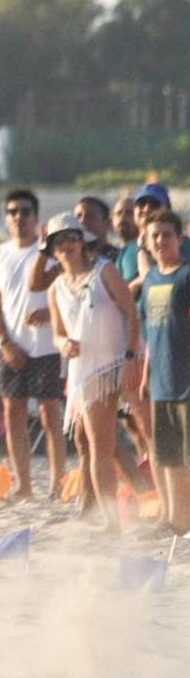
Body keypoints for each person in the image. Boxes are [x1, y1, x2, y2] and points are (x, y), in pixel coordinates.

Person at [44, 213, 139, 530]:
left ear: (82, 241)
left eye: (71, 238)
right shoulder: (56, 287)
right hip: (78, 369)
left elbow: (131, 313)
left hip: (108, 364)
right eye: (59, 241)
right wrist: (63, 344)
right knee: (84, 442)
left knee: (100, 444)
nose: (67, 245)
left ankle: (112, 521)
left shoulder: (103, 271)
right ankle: (91, 506)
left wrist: (129, 357)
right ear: (53, 250)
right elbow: (57, 332)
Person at [0, 190, 65, 500]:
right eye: (13, 211)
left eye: (25, 211)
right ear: (6, 218)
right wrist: (3, 341)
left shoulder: (51, 251)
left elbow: (68, 289)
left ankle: (57, 483)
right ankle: (24, 484)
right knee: (13, 413)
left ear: (36, 216)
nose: (19, 216)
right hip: (11, 344)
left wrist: (49, 313)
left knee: (49, 414)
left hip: (45, 344)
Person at [138, 210, 190, 536]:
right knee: (167, 456)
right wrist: (145, 375)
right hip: (159, 380)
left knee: (185, 458)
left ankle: (183, 519)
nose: (160, 241)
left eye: (166, 234)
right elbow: (150, 332)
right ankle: (171, 516)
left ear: (179, 238)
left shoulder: (186, 277)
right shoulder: (150, 280)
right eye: (155, 235)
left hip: (185, 381)